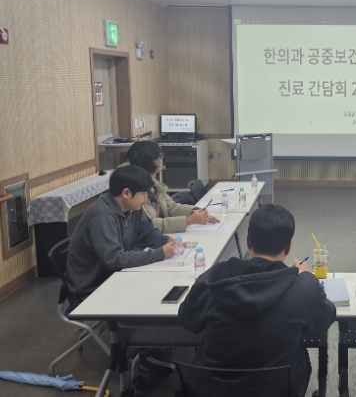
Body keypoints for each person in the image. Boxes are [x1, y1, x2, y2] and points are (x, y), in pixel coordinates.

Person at [178, 204, 336, 397]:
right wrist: (303, 277)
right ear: (288, 246)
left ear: (248, 241)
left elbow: (187, 319)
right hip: (277, 391)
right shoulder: (304, 286)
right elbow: (323, 322)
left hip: (212, 390)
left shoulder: (213, 278)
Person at [65, 166, 174, 305]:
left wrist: (166, 241)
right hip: (92, 288)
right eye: (143, 193)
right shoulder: (101, 216)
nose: (146, 198)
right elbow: (115, 259)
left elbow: (146, 233)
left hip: (115, 276)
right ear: (126, 193)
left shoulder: (132, 207)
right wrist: (160, 253)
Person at [125, 141, 218, 234]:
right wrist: (187, 221)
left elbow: (171, 207)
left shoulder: (153, 182)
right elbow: (148, 224)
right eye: (160, 155)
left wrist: (196, 211)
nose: (162, 158)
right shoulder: (132, 189)